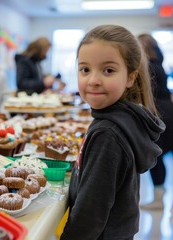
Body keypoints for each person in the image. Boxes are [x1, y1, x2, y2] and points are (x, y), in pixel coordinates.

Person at [60, 25, 165, 239]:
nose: (93, 80)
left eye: (108, 70)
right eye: (85, 69)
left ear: (130, 78)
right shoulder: (121, 119)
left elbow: (91, 212)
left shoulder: (107, 133)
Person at [138, 33, 173, 210]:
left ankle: (158, 200)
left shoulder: (148, 66)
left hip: (158, 112)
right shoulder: (159, 62)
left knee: (156, 155)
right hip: (168, 108)